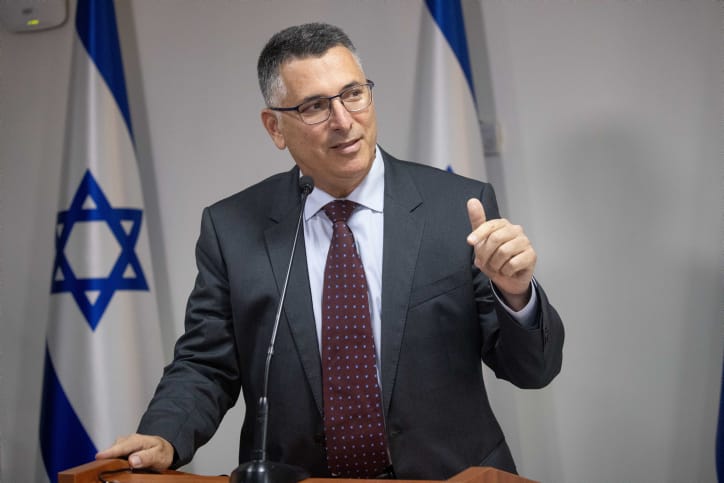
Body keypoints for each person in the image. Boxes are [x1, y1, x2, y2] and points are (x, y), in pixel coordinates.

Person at [97, 22, 564, 479]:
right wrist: (164, 436)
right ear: (275, 127)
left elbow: (533, 370)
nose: (343, 121)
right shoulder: (232, 229)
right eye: (315, 106)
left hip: (450, 475)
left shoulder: (457, 208)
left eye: (353, 94)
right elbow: (206, 364)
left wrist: (516, 296)